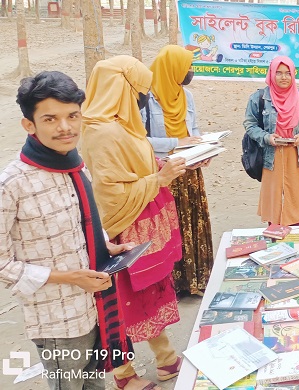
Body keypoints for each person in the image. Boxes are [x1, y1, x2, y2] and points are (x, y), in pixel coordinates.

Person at [0, 71, 133, 390]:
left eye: (72, 115)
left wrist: (105, 247)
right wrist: (69, 277)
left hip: (97, 307)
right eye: (50, 118)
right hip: (58, 321)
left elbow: (80, 223)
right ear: (29, 125)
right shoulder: (12, 185)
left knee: (93, 385)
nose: (65, 127)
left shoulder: (75, 164)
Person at [81, 55, 187, 390]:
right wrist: (159, 179)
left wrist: (161, 165)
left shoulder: (121, 124)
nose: (144, 99)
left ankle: (166, 358)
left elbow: (136, 163)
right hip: (123, 229)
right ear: (122, 89)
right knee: (122, 301)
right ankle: (124, 374)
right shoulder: (101, 132)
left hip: (145, 221)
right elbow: (110, 192)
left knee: (151, 293)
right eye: (141, 91)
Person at [142, 45, 215, 297]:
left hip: (189, 170)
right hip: (163, 173)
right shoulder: (145, 98)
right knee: (167, 228)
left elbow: (193, 131)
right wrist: (176, 143)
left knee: (191, 222)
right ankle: (169, 286)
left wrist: (203, 152)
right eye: (187, 67)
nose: (190, 72)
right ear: (171, 69)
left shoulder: (187, 96)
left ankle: (193, 281)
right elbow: (139, 140)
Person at [243, 56, 299, 226]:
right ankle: (275, 241)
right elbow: (250, 124)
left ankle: (296, 238)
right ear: (271, 74)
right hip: (271, 155)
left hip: (297, 155)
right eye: (279, 73)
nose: (283, 77)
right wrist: (267, 137)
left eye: (287, 73)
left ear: (293, 75)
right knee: (273, 202)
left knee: (297, 200)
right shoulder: (259, 98)